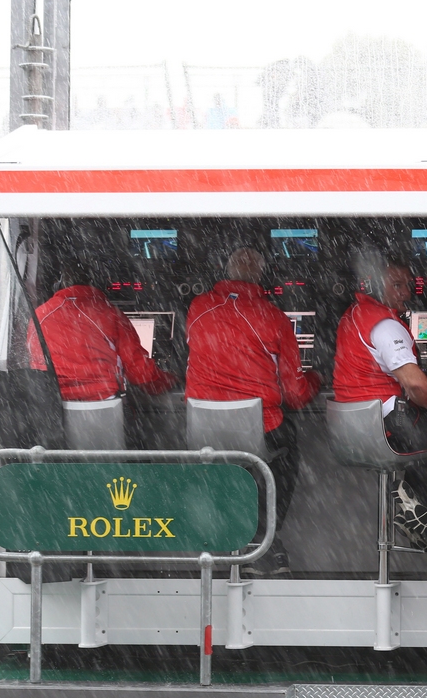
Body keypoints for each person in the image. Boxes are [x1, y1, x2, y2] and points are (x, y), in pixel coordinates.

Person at [185, 247, 322, 577]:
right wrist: (317, 377)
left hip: (203, 430)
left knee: (232, 466)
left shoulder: (197, 307)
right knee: (283, 453)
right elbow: (295, 394)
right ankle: (262, 539)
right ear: (262, 276)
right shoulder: (274, 318)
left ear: (226, 270)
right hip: (257, 430)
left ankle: (229, 543)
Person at [333, 248, 427, 550]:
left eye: (408, 284)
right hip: (385, 427)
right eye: (397, 285)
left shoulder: (352, 315)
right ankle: (415, 502)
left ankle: (413, 506)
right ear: (374, 285)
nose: (406, 292)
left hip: (350, 429)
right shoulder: (385, 325)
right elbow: (416, 386)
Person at [28, 260, 176, 401]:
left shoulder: (38, 316)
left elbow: (34, 363)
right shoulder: (111, 315)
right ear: (95, 284)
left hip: (50, 407)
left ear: (59, 285)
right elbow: (141, 374)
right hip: (103, 405)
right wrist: (171, 380)